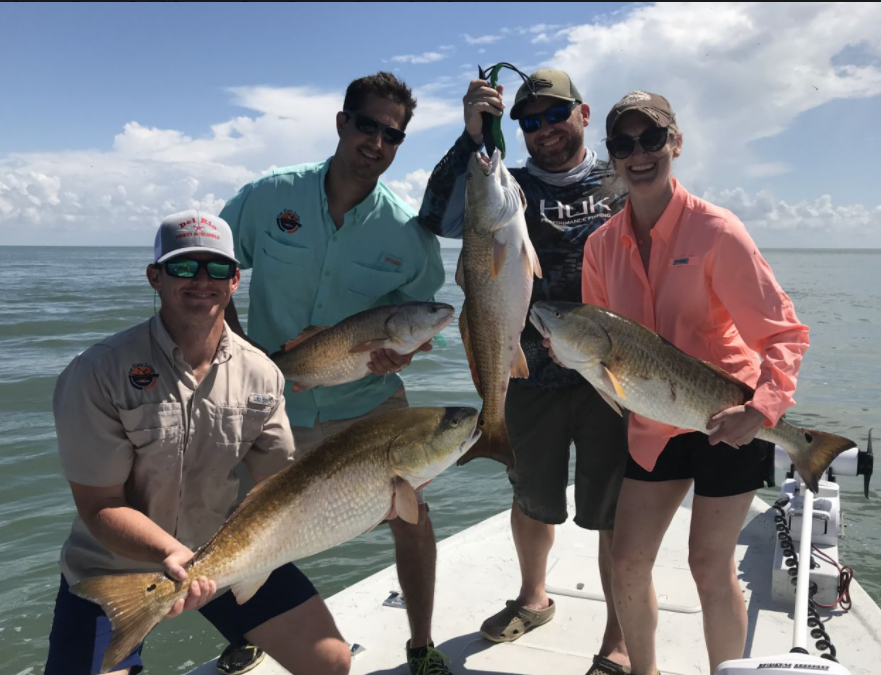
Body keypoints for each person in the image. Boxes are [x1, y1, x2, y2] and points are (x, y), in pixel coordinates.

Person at [44, 211, 351, 675]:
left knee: (330, 662)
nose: (202, 280)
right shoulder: (97, 372)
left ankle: (241, 632)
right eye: (185, 267)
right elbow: (99, 505)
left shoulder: (262, 374)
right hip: (114, 567)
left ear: (235, 281)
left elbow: (279, 486)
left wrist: (366, 495)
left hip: (229, 554)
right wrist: (172, 555)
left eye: (218, 269)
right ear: (156, 277)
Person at [219, 72, 450, 675]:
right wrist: (238, 354)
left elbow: (422, 321)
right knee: (244, 519)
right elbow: (211, 271)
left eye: (393, 135)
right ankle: (245, 624)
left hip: (369, 401)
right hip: (269, 403)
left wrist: (403, 353)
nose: (377, 142)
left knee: (411, 516)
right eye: (368, 125)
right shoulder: (270, 196)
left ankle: (421, 644)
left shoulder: (408, 230)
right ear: (343, 122)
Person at [579, 91, 811, 675]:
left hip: (727, 417)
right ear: (611, 155)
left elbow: (783, 333)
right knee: (627, 563)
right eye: (624, 143)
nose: (639, 153)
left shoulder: (717, 232)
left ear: (675, 144)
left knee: (710, 565)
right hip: (654, 422)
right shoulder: (600, 246)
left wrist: (761, 411)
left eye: (651, 139)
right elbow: (596, 341)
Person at [419, 70, 631, 675]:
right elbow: (436, 213)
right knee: (532, 499)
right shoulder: (502, 183)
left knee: (612, 510)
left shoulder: (619, 177)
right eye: (528, 121)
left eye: (554, 115)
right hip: (527, 376)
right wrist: (470, 137)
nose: (542, 131)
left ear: (584, 113)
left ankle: (618, 633)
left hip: (606, 376)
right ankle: (534, 598)